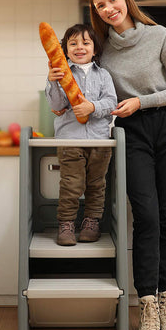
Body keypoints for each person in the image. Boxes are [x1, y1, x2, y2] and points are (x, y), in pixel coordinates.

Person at [89, 0, 166, 330]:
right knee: (145, 217)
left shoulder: (158, 35)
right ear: (96, 11)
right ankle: (147, 308)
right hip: (130, 134)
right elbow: (87, 87)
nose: (109, 8)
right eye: (100, 5)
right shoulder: (101, 51)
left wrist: (140, 102)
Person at [45, 23, 117, 247]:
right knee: (71, 184)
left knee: (96, 184)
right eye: (73, 43)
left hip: (99, 141)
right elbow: (56, 104)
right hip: (70, 140)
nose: (79, 47)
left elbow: (111, 102)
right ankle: (66, 224)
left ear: (94, 49)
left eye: (86, 43)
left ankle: (91, 223)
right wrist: (52, 81)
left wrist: (92, 107)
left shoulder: (104, 75)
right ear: (65, 49)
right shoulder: (59, 73)